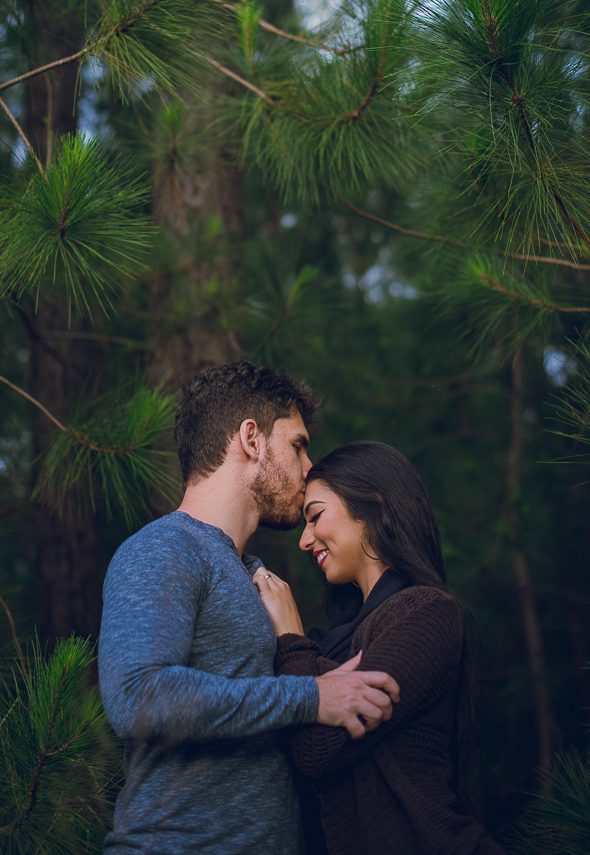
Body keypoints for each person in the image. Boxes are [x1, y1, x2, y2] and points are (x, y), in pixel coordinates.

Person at [98, 363, 401, 855]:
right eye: (298, 445)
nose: (309, 468)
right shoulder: (163, 548)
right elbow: (138, 696)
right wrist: (310, 697)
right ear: (251, 439)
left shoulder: (250, 572)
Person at [254, 440, 505, 855]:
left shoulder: (428, 615)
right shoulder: (341, 639)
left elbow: (317, 749)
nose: (305, 540)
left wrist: (291, 640)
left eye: (315, 516)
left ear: (372, 503)